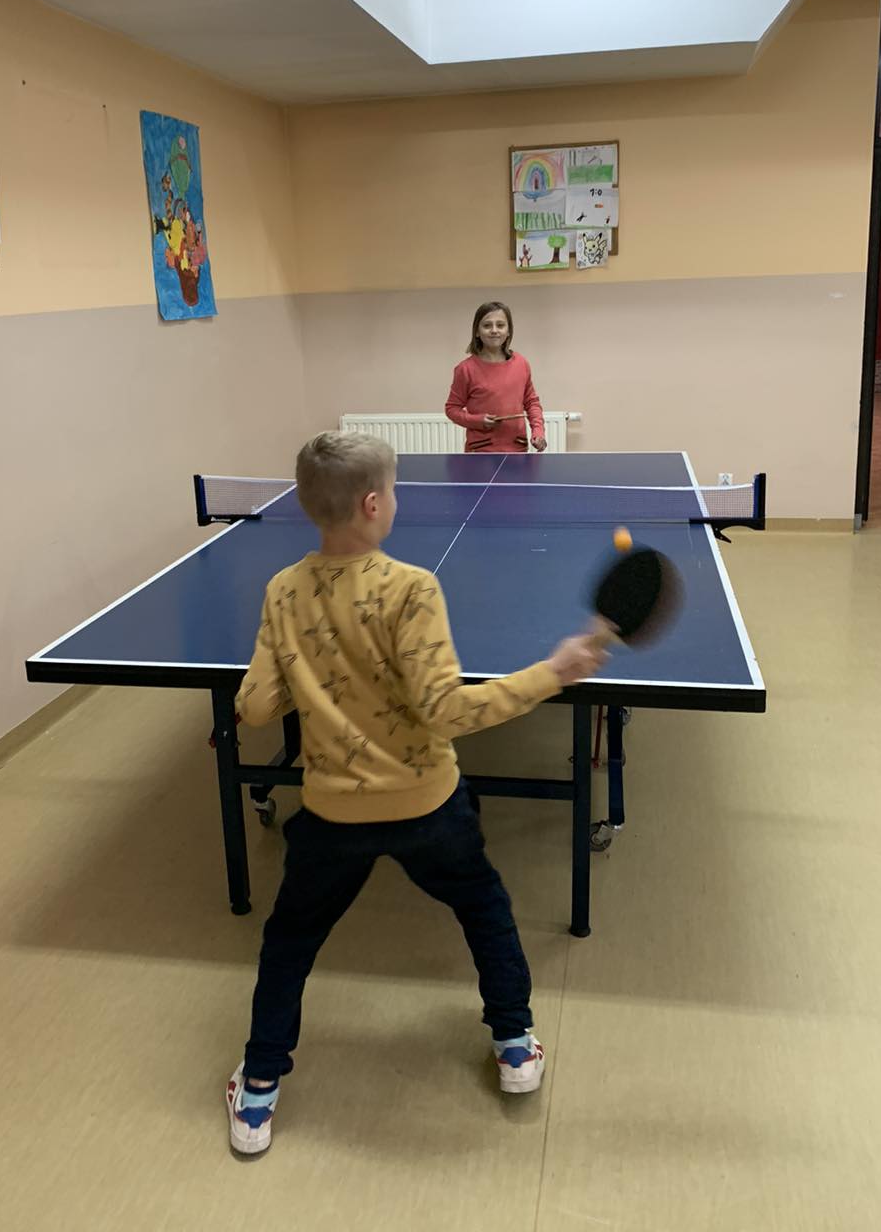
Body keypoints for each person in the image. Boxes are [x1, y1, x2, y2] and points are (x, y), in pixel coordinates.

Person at [225, 432, 606, 1154]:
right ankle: (515, 1044)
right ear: (374, 504)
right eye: (394, 491)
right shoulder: (411, 589)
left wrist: (284, 668)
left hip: (332, 814)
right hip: (428, 805)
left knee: (290, 942)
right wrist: (552, 673)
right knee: (483, 907)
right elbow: (447, 712)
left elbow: (258, 706)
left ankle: (260, 1090)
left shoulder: (283, 591)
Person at [445, 301, 547, 453]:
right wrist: (478, 421)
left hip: (517, 450)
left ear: (508, 331)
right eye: (487, 325)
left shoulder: (521, 363)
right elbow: (452, 409)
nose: (494, 330)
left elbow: (532, 403)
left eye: (500, 325)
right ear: (477, 332)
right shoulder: (465, 369)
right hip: (480, 452)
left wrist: (538, 432)